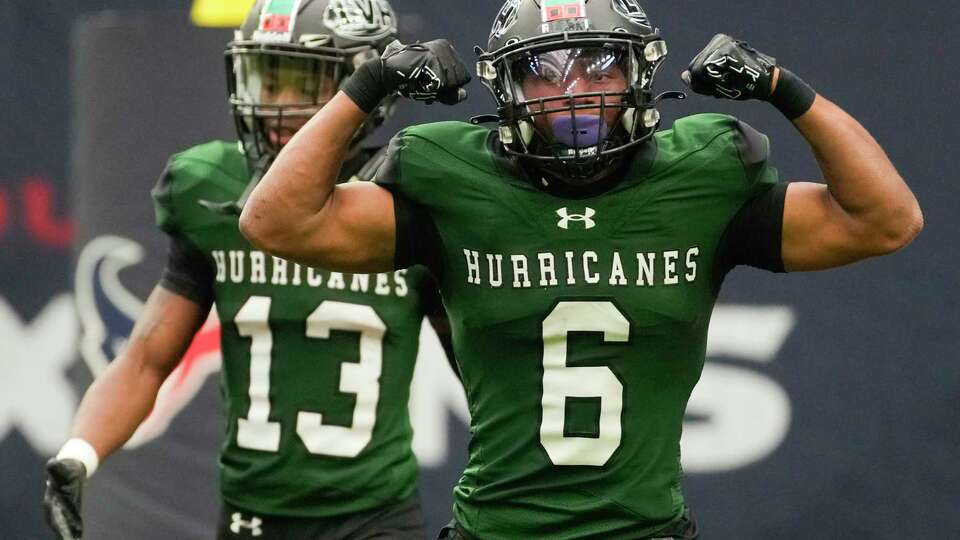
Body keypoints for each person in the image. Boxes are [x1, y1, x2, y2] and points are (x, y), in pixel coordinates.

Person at [238, 0, 923, 538]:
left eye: (600, 67)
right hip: (498, 532)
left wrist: (785, 87)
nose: (575, 94)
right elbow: (276, 221)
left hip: (646, 530)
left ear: (639, 74)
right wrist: (368, 82)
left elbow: (886, 219)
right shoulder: (453, 179)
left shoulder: (699, 181)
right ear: (506, 87)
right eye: (544, 72)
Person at [43, 1, 451, 538]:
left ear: (366, 84)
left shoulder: (407, 197)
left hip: (376, 518)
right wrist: (79, 452)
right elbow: (146, 358)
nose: (276, 106)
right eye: (266, 79)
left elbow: (480, 371)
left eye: (303, 82)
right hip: (250, 517)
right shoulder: (209, 187)